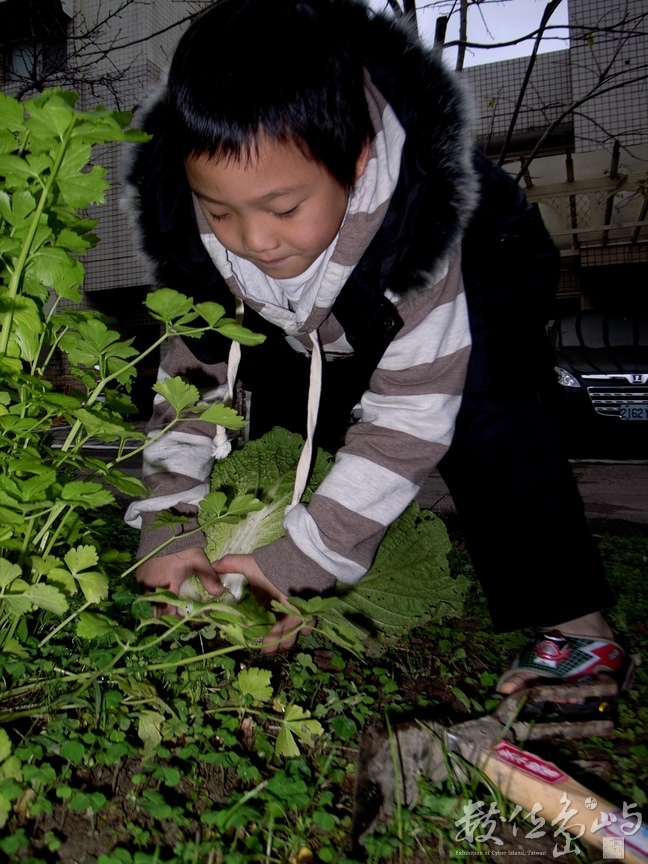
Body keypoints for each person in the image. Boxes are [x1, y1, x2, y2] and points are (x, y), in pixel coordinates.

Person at [126, 0, 631, 704]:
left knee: (480, 405)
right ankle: (308, 557)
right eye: (221, 212)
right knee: (276, 419)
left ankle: (580, 632)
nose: (254, 240)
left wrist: (304, 562)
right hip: (318, 314)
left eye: (281, 208)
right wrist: (168, 525)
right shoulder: (196, 233)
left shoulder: (416, 234)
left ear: (358, 158)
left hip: (486, 262)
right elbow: (191, 392)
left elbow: (410, 415)